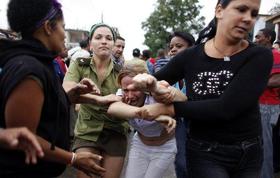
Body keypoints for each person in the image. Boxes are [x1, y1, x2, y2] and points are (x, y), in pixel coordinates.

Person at [128, 0, 273, 177]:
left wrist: (169, 108)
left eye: (253, 13)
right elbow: (152, 81)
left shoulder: (260, 56)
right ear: (219, 11)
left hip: (248, 151)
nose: (248, 18)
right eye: (241, 9)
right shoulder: (191, 56)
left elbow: (227, 107)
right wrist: (146, 81)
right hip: (205, 152)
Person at [0, 0, 106, 177]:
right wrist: (73, 158)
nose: (64, 35)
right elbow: (23, 140)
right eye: (63, 27)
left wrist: (68, 96)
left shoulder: (41, 62)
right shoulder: (29, 69)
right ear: (48, 27)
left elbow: (43, 110)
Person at [63, 23, 129, 178]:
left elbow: (128, 100)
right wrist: (98, 100)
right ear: (90, 44)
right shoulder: (79, 64)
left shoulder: (122, 73)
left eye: (108, 38)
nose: (104, 41)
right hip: (87, 130)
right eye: (98, 37)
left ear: (113, 45)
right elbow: (66, 90)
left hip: (116, 130)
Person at [107, 60, 185, 178]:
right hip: (140, 145)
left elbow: (183, 100)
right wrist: (148, 114)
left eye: (135, 89)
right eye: (126, 90)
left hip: (165, 148)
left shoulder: (157, 92)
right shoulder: (122, 94)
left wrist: (158, 92)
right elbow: (112, 108)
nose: (130, 95)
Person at [166, 31, 195, 178]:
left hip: (198, 125)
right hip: (179, 125)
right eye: (171, 46)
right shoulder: (168, 75)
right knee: (181, 163)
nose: (173, 49)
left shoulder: (197, 74)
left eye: (179, 46)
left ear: (191, 48)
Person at [255, 28, 280, 178]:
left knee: (265, 145)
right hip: (261, 104)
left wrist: (253, 83)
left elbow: (277, 79)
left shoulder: (275, 55)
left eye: (259, 37)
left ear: (268, 38)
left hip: (268, 106)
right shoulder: (262, 55)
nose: (256, 39)